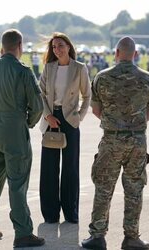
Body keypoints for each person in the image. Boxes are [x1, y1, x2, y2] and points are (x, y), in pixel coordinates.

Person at [81, 36, 149, 250]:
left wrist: (114, 123)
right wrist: (133, 125)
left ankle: (97, 236)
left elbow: (96, 110)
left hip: (111, 138)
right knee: (134, 189)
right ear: (135, 54)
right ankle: (131, 237)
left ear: (116, 53)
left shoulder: (102, 77)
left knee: (104, 187)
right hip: (137, 140)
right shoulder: (147, 78)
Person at [0, 29, 45, 248]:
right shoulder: (22, 71)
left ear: (3, 46)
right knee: (18, 183)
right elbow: (37, 106)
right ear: (19, 45)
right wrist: (28, 122)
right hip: (14, 131)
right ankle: (23, 232)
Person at [39, 32, 91, 224]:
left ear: (68, 47)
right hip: (51, 119)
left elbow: (87, 96)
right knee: (49, 168)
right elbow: (41, 94)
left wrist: (79, 117)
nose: (57, 50)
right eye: (54, 47)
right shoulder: (48, 68)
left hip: (70, 120)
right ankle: (50, 215)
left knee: (70, 168)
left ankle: (71, 213)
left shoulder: (79, 68)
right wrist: (48, 115)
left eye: (60, 45)